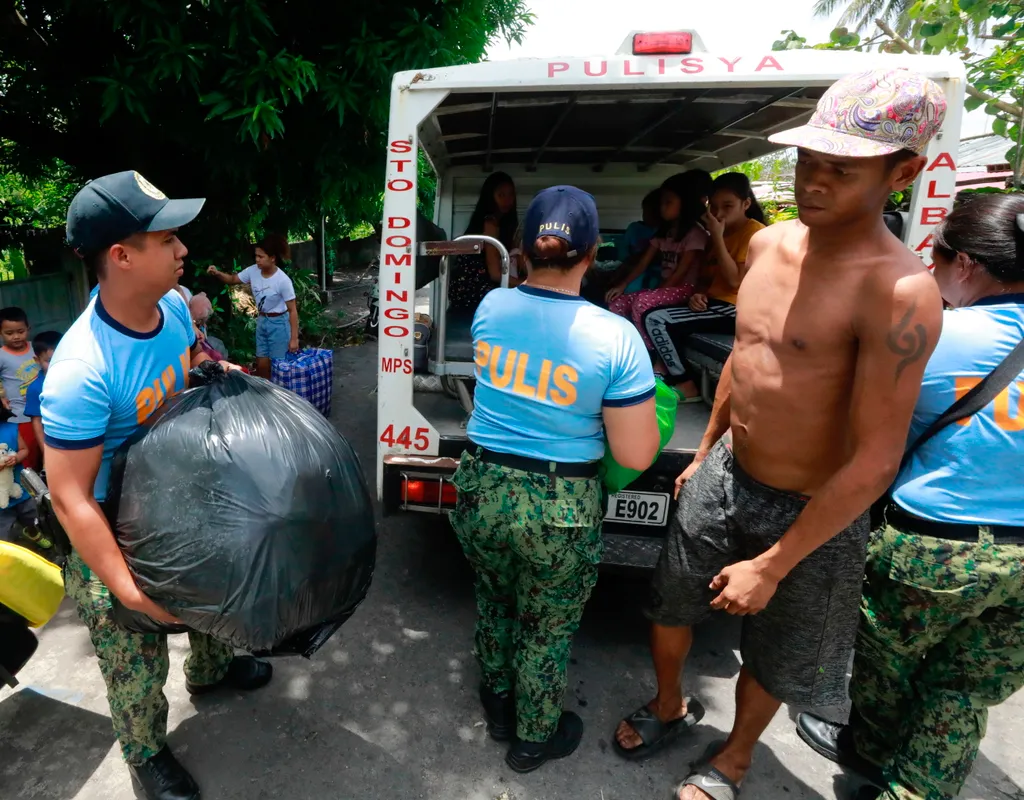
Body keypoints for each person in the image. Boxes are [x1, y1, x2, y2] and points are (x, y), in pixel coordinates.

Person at [611, 68, 947, 800]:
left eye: (840, 169)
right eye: (806, 162)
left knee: (780, 649)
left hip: (812, 508)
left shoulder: (898, 293)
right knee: (668, 601)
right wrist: (704, 453)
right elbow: (745, 356)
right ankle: (670, 703)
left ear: (904, 171)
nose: (813, 182)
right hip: (728, 471)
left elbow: (877, 458)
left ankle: (733, 758)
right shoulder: (767, 248)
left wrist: (775, 563)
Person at [41, 171, 273, 800]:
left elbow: (192, 355)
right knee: (133, 656)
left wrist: (211, 367)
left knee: (209, 600)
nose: (183, 251)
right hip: (115, 524)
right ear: (121, 256)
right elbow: (71, 497)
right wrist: (127, 590)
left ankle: (212, 671)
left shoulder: (170, 307)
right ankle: (145, 751)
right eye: (167, 239)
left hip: (183, 498)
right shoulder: (82, 371)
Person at [796, 194, 1024, 800]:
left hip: (936, 546)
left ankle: (868, 752)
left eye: (937, 256)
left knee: (886, 658)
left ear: (967, 265)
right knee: (963, 690)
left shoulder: (938, 335)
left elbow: (861, 427)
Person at [451, 186, 660, 774]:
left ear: (521, 250)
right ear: (593, 254)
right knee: (547, 624)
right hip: (558, 504)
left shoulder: (492, 309)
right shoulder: (616, 336)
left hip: (482, 487)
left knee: (494, 598)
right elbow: (636, 450)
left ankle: (496, 705)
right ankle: (533, 736)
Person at [643, 172, 767, 400]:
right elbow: (705, 277)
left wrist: (717, 237)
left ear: (746, 204)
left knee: (656, 319)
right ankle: (664, 373)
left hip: (736, 309)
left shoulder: (754, 233)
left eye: (728, 206)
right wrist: (698, 294)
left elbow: (734, 282)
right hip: (714, 303)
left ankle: (684, 383)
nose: (719, 213)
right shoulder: (718, 235)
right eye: (714, 207)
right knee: (655, 314)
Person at [605, 171, 712, 366]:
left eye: (668, 202)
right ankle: (625, 348)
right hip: (666, 287)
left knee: (642, 302)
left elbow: (681, 272)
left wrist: (658, 293)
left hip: (685, 288)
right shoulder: (664, 233)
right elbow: (643, 263)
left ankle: (650, 354)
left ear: (685, 204)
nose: (662, 208)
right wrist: (622, 285)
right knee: (617, 303)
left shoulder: (695, 234)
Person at [207, 233, 299, 379]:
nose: (257, 260)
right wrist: (217, 273)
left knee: (279, 366)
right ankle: (262, 397)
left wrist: (294, 339)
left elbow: (293, 310)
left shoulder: (283, 281)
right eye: (256, 256)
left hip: (279, 324)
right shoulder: (253, 271)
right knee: (261, 364)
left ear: (272, 258)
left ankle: (279, 398)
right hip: (262, 321)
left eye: (261, 257)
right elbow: (232, 279)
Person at [449, 171, 519, 311]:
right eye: (501, 195)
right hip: (470, 290)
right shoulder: (489, 223)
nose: (508, 200)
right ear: (490, 197)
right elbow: (495, 274)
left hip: (478, 286)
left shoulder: (503, 224)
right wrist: (526, 284)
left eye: (511, 194)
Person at [0, 405, 47, 550]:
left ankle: (34, 534)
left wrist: (16, 458)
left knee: (33, 518)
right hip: (2, 501)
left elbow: (24, 449)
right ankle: (9, 556)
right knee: (4, 532)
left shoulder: (10, 429)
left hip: (22, 490)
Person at [0, 307, 42, 470]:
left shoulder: (36, 348)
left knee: (46, 454)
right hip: (20, 416)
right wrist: (1, 397)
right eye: (9, 333)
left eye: (20, 331)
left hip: (43, 412)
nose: (16, 336)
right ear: (1, 333)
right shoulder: (2, 355)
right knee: (28, 458)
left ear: (28, 329)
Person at [23, 330, 62, 473]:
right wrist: (45, 450)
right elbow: (37, 421)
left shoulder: (77, 380)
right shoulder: (35, 388)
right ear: (37, 360)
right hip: (54, 443)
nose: (55, 364)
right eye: (49, 361)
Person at [617, 189, 663, 293]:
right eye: (644, 211)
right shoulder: (634, 228)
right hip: (633, 269)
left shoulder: (664, 233)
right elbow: (624, 255)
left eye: (650, 212)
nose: (646, 215)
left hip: (655, 273)